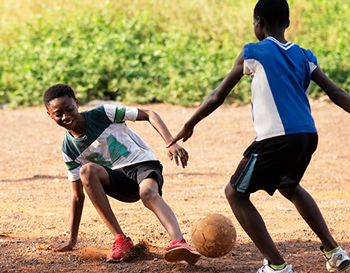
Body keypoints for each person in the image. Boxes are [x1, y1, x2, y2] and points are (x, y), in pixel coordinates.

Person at [167, 0, 350, 272]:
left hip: (277, 138)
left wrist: (190, 123)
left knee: (235, 194)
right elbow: (336, 93)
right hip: (307, 136)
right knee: (289, 186)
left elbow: (219, 94)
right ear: (287, 23)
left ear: (259, 23)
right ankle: (334, 252)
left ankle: (277, 266)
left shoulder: (254, 52)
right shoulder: (304, 55)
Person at [43, 83, 200, 265]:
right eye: (58, 114)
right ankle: (121, 239)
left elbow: (149, 114)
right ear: (50, 115)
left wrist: (170, 142)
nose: (65, 116)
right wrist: (72, 239)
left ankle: (178, 242)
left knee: (148, 194)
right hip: (118, 181)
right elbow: (78, 196)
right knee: (87, 170)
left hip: (142, 164)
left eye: (69, 109)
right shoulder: (69, 149)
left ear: (77, 103)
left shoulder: (103, 113)